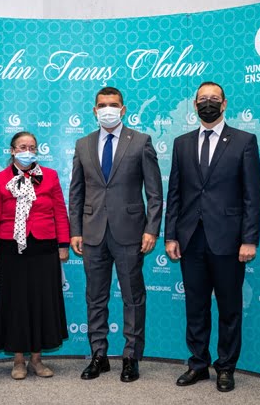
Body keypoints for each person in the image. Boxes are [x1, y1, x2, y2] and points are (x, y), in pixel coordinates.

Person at [164, 81, 260, 392]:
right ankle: (198, 364)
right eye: (203, 98)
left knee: (229, 308)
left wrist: (249, 239)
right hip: (190, 238)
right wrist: (170, 236)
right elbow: (175, 193)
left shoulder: (244, 141)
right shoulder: (181, 143)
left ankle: (226, 367)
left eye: (214, 98)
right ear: (195, 105)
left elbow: (252, 196)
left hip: (229, 241)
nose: (208, 103)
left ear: (224, 103)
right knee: (196, 306)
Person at [69, 87, 163, 383]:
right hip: (92, 233)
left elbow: (155, 193)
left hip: (130, 232)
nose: (107, 109)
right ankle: (98, 355)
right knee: (95, 297)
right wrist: (75, 231)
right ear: (94, 110)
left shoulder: (141, 141)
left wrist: (151, 229)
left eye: (113, 105)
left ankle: (131, 356)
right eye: (102, 105)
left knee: (133, 297)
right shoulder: (83, 144)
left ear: (123, 109)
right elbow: (76, 192)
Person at [0, 131, 70, 380]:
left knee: (42, 303)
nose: (28, 151)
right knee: (16, 305)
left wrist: (63, 244)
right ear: (12, 150)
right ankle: (19, 360)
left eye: (32, 147)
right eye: (22, 147)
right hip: (10, 250)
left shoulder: (49, 176)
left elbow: (60, 211)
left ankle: (37, 359)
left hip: (44, 248)